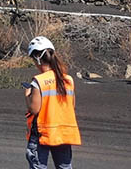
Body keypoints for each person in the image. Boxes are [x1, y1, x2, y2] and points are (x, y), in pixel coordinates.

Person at [24, 36, 81, 169]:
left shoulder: (38, 81)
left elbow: (34, 109)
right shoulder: (68, 80)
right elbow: (71, 106)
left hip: (42, 134)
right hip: (63, 134)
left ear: (37, 57)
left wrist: (27, 95)